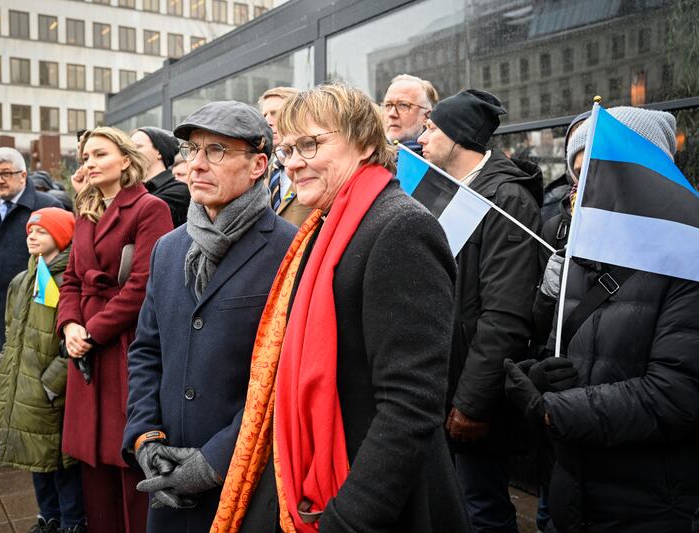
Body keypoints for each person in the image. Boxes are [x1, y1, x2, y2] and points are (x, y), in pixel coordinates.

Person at [210, 84, 469, 533]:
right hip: (317, 483)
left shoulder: (400, 228)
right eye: (287, 149)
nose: (292, 162)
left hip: (374, 503)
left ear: (367, 143)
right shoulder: (323, 226)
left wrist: (349, 520)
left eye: (310, 144)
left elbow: (411, 404)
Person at [506, 106, 699, 533]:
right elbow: (565, 348)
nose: (583, 188)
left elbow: (676, 396)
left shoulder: (691, 259)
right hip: (572, 493)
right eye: (577, 174)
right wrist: (541, 375)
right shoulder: (584, 254)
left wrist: (552, 410)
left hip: (650, 507)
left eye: (601, 170)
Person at [123, 100, 296, 532]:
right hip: (167, 482)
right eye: (191, 150)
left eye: (216, 151)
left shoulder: (290, 251)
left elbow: (284, 381)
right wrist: (145, 438)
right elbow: (147, 350)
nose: (196, 165)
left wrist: (215, 461)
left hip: (247, 485)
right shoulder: (169, 247)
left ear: (259, 165)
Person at [418, 89, 543, 533]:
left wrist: (471, 402)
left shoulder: (506, 200)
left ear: (459, 136)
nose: (422, 135)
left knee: (480, 511)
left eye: (432, 127)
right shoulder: (449, 190)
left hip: (471, 395)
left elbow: (505, 315)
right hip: (438, 384)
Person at [57, 127, 173, 533]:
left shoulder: (149, 208)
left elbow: (144, 285)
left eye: (99, 155)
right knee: (91, 461)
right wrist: (69, 325)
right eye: (85, 156)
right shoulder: (85, 210)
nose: (88, 163)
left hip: (124, 342)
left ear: (125, 160)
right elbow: (70, 278)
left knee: (126, 457)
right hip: (85, 345)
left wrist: (91, 332)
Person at [0, 147, 61, 469]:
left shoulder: (46, 205)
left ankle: (31, 444)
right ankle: (3, 437)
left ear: (23, 175)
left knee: (28, 383)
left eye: (5, 173)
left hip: (31, 311)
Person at [0, 207, 86, 533]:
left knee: (62, 461)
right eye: (30, 231)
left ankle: (72, 521)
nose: (32, 236)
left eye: (42, 231)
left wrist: (51, 383)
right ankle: (48, 517)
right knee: (33, 456)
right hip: (23, 385)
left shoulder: (67, 281)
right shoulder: (22, 280)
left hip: (51, 390)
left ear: (61, 236)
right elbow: (11, 331)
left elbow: (74, 340)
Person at [259, 87, 313, 227]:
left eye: (275, 113)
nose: (267, 122)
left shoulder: (313, 163)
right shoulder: (263, 170)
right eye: (264, 115)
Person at [132, 127, 191, 227]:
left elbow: (131, 219)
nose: (130, 152)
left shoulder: (179, 191)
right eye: (128, 148)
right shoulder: (132, 188)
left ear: (159, 152)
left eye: (137, 147)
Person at [381, 74, 439, 155]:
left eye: (403, 105)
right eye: (388, 105)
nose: (392, 114)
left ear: (427, 116)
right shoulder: (368, 157)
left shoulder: (436, 162)